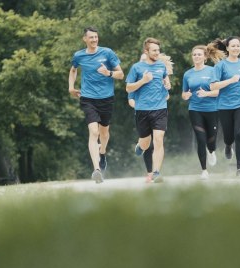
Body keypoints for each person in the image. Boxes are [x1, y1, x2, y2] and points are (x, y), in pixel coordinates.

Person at [68, 26, 124, 183]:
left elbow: (121, 74)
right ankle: (97, 169)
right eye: (91, 37)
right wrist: (71, 87)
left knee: (104, 133)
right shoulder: (78, 55)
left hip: (106, 98)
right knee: (94, 131)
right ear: (84, 39)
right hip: (88, 98)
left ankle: (103, 151)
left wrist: (109, 73)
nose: (94, 40)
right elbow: (73, 70)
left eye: (96, 37)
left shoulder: (107, 53)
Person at [126, 38, 170, 183]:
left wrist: (167, 84)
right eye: (154, 50)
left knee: (158, 140)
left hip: (160, 108)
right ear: (146, 51)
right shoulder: (136, 68)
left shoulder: (162, 66)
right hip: (142, 110)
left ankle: (156, 172)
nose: (157, 53)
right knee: (146, 144)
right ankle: (140, 145)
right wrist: (143, 81)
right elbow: (128, 88)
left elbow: (165, 80)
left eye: (158, 50)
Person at [209, 36, 240, 178]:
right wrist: (231, 80)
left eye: (238, 46)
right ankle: (228, 145)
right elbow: (213, 86)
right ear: (227, 48)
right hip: (224, 105)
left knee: (239, 133)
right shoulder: (220, 66)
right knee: (229, 136)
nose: (236, 48)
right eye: (233, 46)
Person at [182, 44, 224, 179]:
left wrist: (206, 94)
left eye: (199, 54)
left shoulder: (212, 71)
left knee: (211, 140)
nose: (196, 57)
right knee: (201, 139)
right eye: (194, 54)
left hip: (212, 109)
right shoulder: (187, 74)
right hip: (195, 109)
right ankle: (204, 170)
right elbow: (184, 93)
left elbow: (218, 92)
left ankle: (211, 151)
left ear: (205, 57)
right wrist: (186, 96)